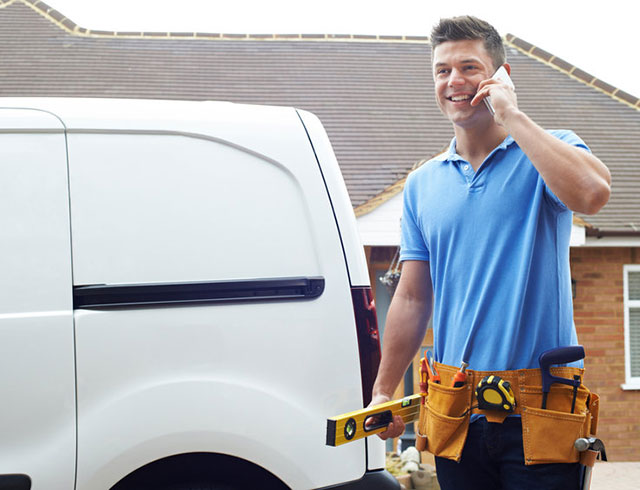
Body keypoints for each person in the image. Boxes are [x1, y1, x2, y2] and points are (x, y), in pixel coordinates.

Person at [369, 15, 611, 490]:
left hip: (541, 411)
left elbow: (593, 194)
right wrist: (382, 391)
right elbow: (414, 299)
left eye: (468, 67)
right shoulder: (423, 185)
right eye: (442, 70)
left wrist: (513, 117)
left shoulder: (548, 150)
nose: (454, 81)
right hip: (457, 411)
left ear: (499, 76)